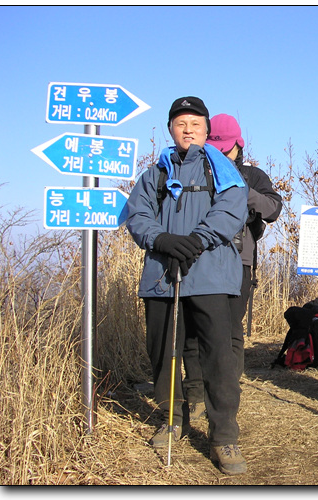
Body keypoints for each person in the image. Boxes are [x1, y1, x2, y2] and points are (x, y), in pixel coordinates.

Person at [125, 96, 249, 476]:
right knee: (163, 352)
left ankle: (223, 433)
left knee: (217, 356)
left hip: (210, 273)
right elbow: (136, 213)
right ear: (170, 130)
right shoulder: (156, 173)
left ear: (207, 130)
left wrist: (196, 240)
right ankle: (173, 418)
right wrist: (161, 240)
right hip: (163, 275)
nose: (188, 129)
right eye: (181, 123)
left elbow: (232, 208)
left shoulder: (221, 168)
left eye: (195, 123)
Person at [182, 113, 282, 421]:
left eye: (227, 147)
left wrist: (242, 191)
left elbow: (273, 208)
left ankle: (227, 388)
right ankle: (196, 392)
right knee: (194, 329)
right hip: (199, 258)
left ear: (239, 145)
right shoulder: (197, 170)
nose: (221, 152)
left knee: (229, 329)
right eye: (216, 146)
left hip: (239, 261)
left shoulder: (252, 176)